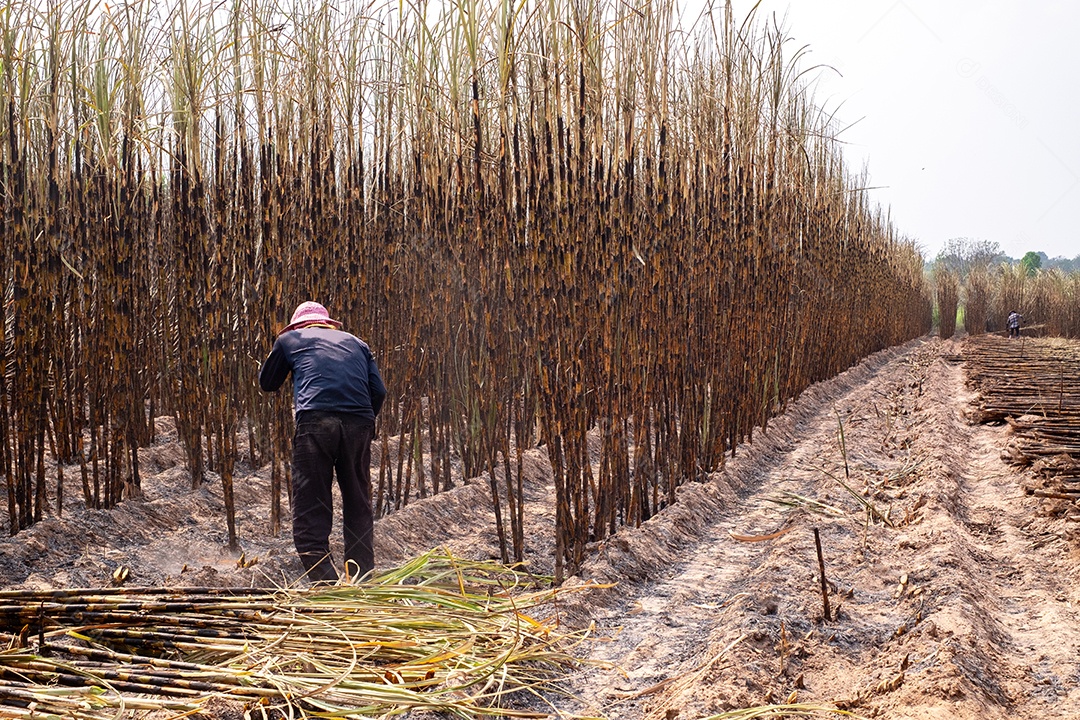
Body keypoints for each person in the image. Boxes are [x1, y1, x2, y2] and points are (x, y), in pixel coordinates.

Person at [259, 301, 386, 583]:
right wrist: (363, 423)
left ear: (299, 325)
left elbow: (267, 383)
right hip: (360, 421)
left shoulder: (289, 339)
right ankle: (362, 579)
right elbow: (379, 391)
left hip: (316, 422)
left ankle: (325, 584)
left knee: (310, 502)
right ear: (328, 324)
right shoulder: (357, 343)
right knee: (357, 499)